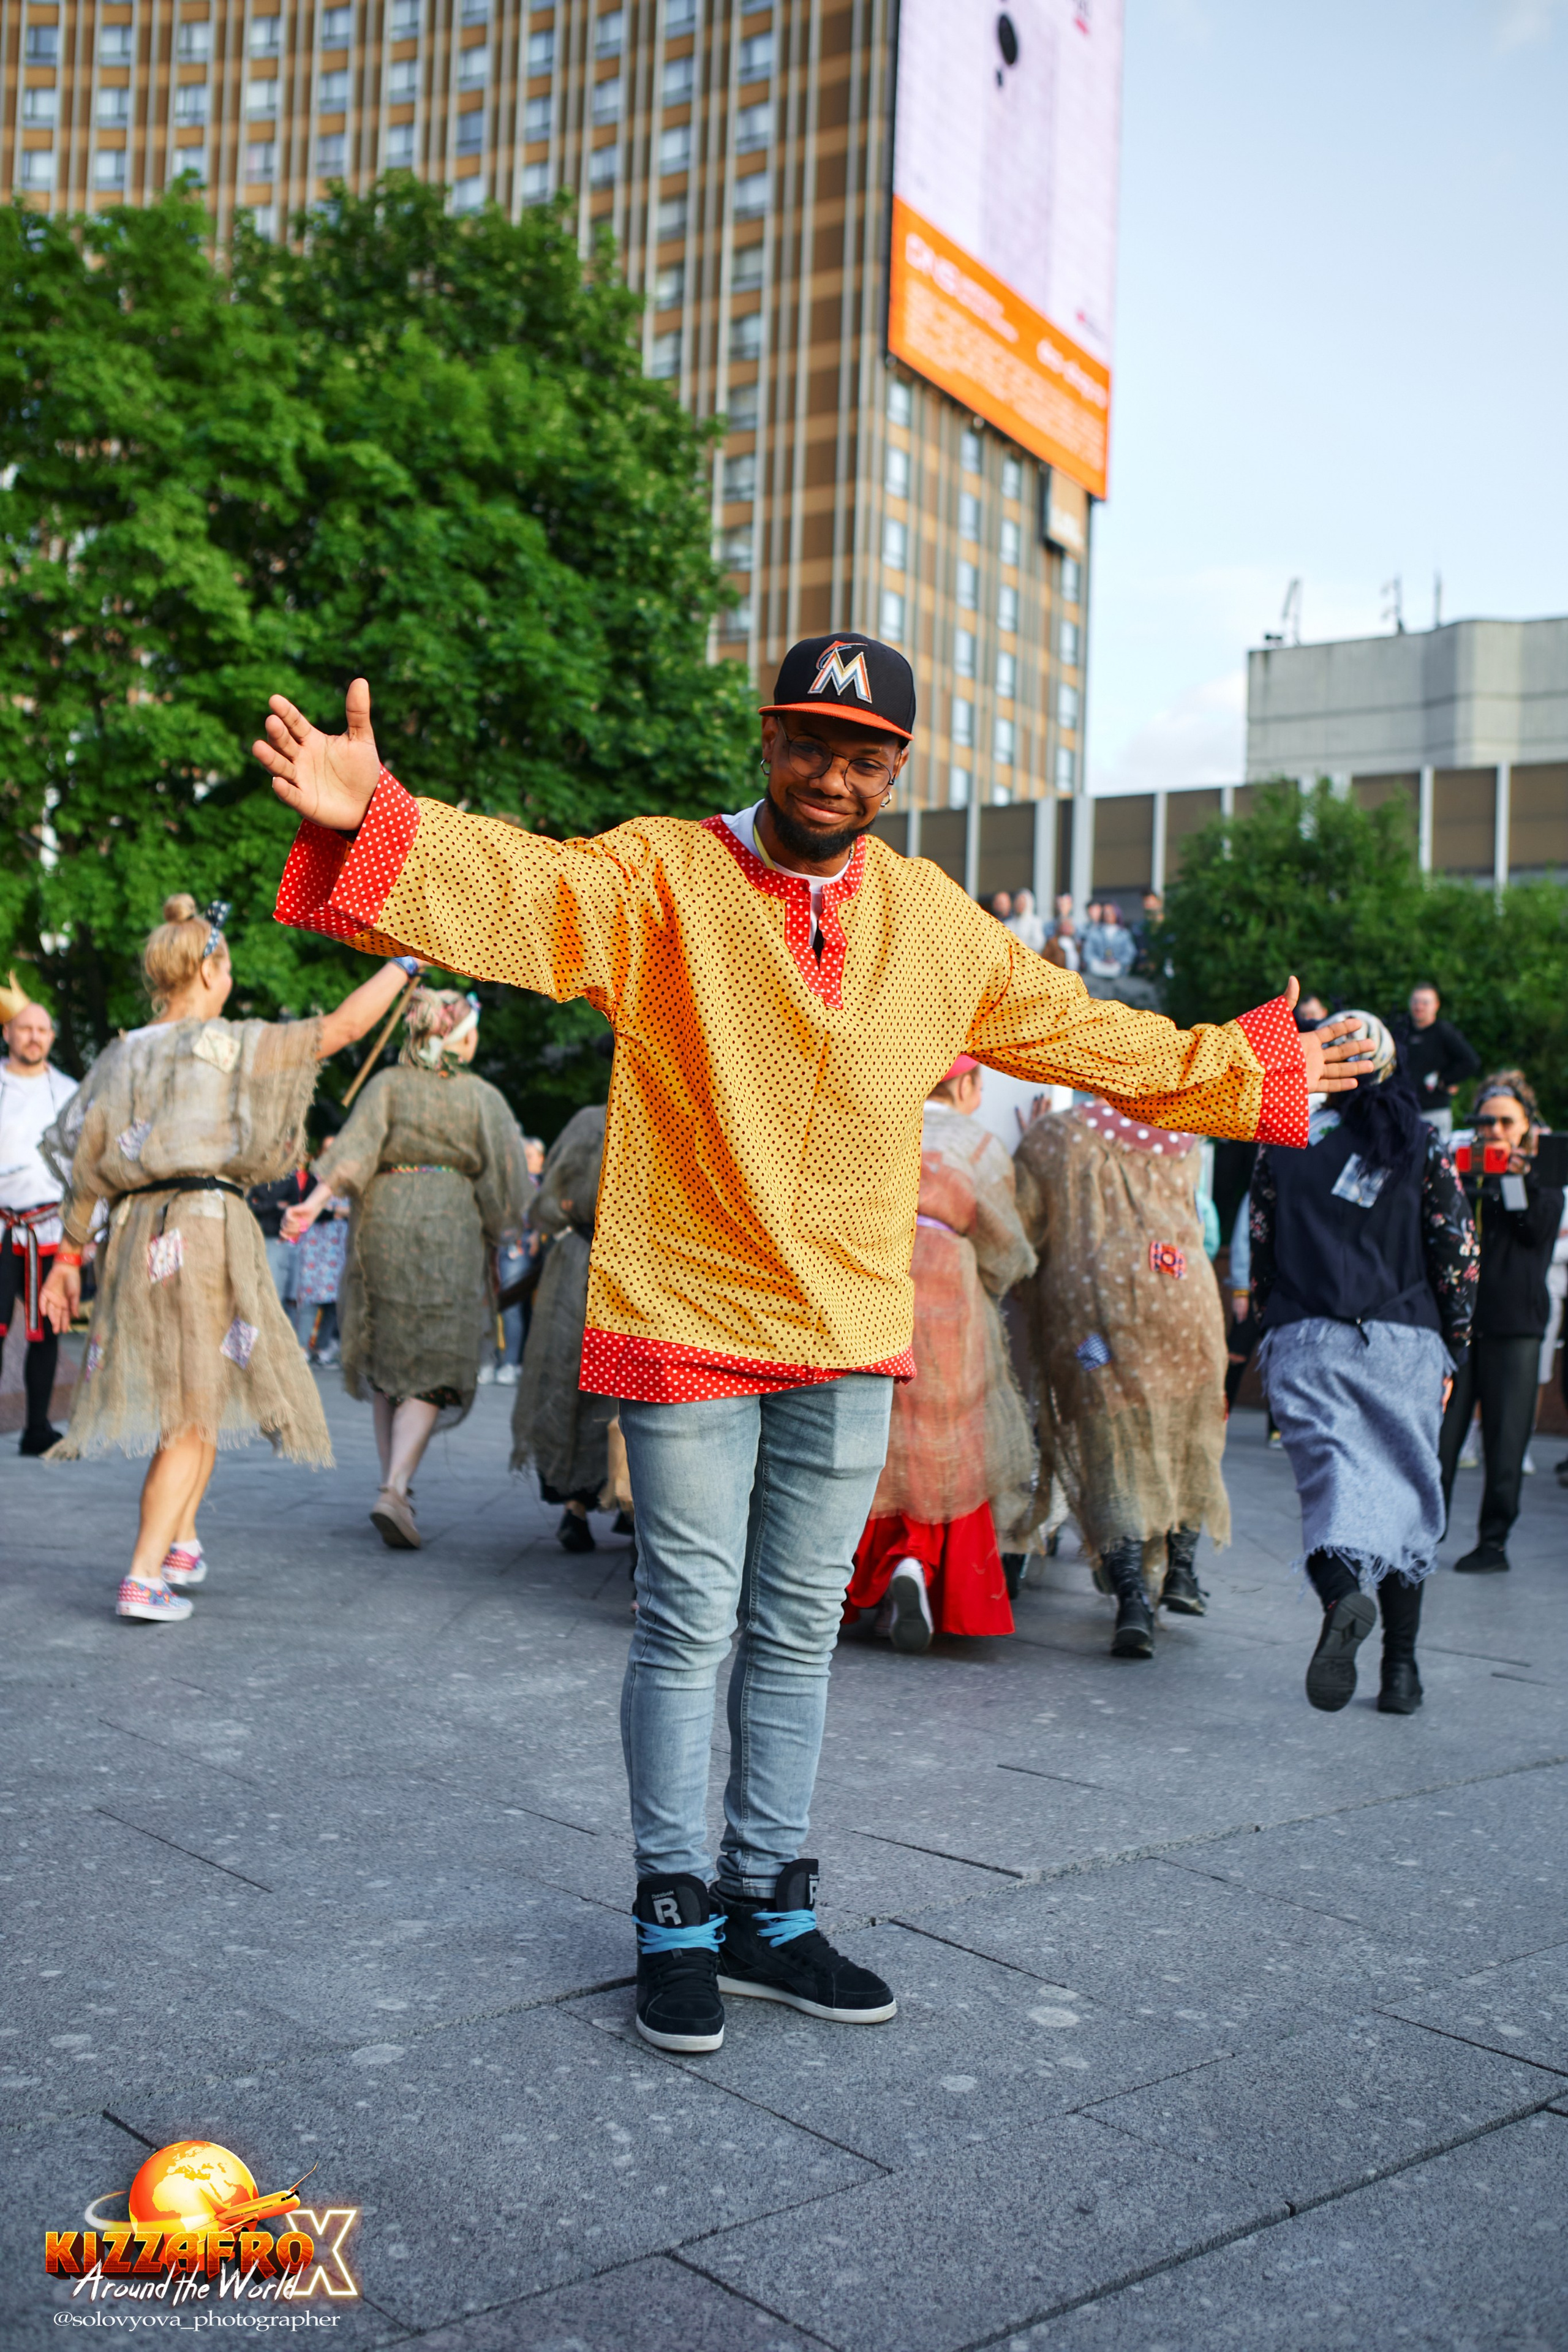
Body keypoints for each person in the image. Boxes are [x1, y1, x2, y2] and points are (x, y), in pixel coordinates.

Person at [255, 639, 1369, 2055]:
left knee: (794, 1627)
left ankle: (766, 1910)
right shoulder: (663, 876)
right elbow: (524, 890)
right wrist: (379, 818)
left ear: (894, 771)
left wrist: (1253, 1066)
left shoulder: (933, 926)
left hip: (845, 1325)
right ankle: (673, 1912)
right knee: (686, 1621)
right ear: (767, 739)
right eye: (807, 743)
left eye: (862, 756)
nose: (830, 776)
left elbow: (1088, 1035)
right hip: (689, 1307)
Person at [37, 895, 416, 1623]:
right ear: (211, 971)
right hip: (206, 1227)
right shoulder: (230, 1044)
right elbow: (342, 1028)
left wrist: (67, 1258)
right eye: (230, 968)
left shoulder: (124, 1053)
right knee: (192, 1408)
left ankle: (180, 1541)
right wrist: (405, 963)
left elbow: (86, 1165)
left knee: (200, 1397)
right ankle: (143, 1574)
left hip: (139, 1233)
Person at [1251, 1014, 1478, 1712]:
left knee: (1333, 1488)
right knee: (1406, 1497)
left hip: (1309, 1340)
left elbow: (1262, 1250)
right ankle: (1401, 1673)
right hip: (1403, 1342)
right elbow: (1456, 1251)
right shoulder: (1422, 1142)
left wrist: (1268, 1329)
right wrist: (1454, 1346)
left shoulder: (1283, 1142)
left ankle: (1342, 1594)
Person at [283, 987, 530, 1551]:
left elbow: (354, 1152)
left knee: (387, 1356)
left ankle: (392, 1485)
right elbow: (504, 1180)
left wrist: (313, 1204)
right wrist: (504, 1231)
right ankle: (396, 1487)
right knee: (435, 1357)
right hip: (451, 1226)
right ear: (459, 1036)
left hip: (384, 1221)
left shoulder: (386, 1085)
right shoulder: (482, 1097)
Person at [1014, 1099, 1231, 1658]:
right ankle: (1181, 1571)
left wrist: (1035, 1144)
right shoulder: (1184, 1133)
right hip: (1187, 1305)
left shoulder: (1059, 1134)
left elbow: (1023, 1223)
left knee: (1108, 1437)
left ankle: (1132, 1596)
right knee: (1187, 1433)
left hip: (1095, 1321)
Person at [844, 1055, 1036, 1652]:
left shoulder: (875, 1122)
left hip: (873, 1283)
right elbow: (1004, 1246)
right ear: (967, 1084)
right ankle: (916, 1563)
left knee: (881, 1433)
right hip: (949, 1287)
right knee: (947, 1437)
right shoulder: (979, 1143)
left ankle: (864, 1581)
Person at [1437, 1071, 1564, 1574]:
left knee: (1505, 1442)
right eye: (1485, 1121)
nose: (1494, 1131)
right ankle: (1425, 1533)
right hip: (1461, 1326)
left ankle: (1494, 1543)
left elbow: (1535, 1230)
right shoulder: (1461, 1169)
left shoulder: (1543, 1174)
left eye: (1505, 1122)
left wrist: (1511, 1176)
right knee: (1441, 1439)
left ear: (1527, 1125)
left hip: (1515, 1327)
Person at [511, 1100, 619, 1551]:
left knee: (573, 1378)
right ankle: (622, 1503)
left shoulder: (589, 1122)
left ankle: (578, 1506)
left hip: (581, 1259)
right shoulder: (668, 1112)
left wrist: (566, 1210)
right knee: (618, 1382)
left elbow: (550, 1202)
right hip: (628, 1263)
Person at [0, 984, 80, 1455]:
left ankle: (36, 1429)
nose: (34, 1036)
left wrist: (86, 1233)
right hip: (0, 1227)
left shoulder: (70, 1092)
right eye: (25, 1028)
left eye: (42, 1030)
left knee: (47, 1330)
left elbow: (86, 1165)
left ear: (51, 1036)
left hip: (50, 1229)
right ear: (7, 1033)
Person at [1395, 984, 1480, 1139]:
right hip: (1403, 1110)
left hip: (1434, 1111)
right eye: (1415, 1002)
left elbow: (1470, 1061)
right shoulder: (1401, 1030)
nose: (1419, 1007)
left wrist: (1445, 1079)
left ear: (1436, 1005)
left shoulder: (1444, 1031)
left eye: (1425, 1002)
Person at [1004, 889, 1046, 955]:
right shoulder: (1008, 923)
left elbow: (1038, 944)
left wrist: (1019, 946)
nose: (1020, 905)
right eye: (1018, 903)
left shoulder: (1035, 922)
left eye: (1023, 903)